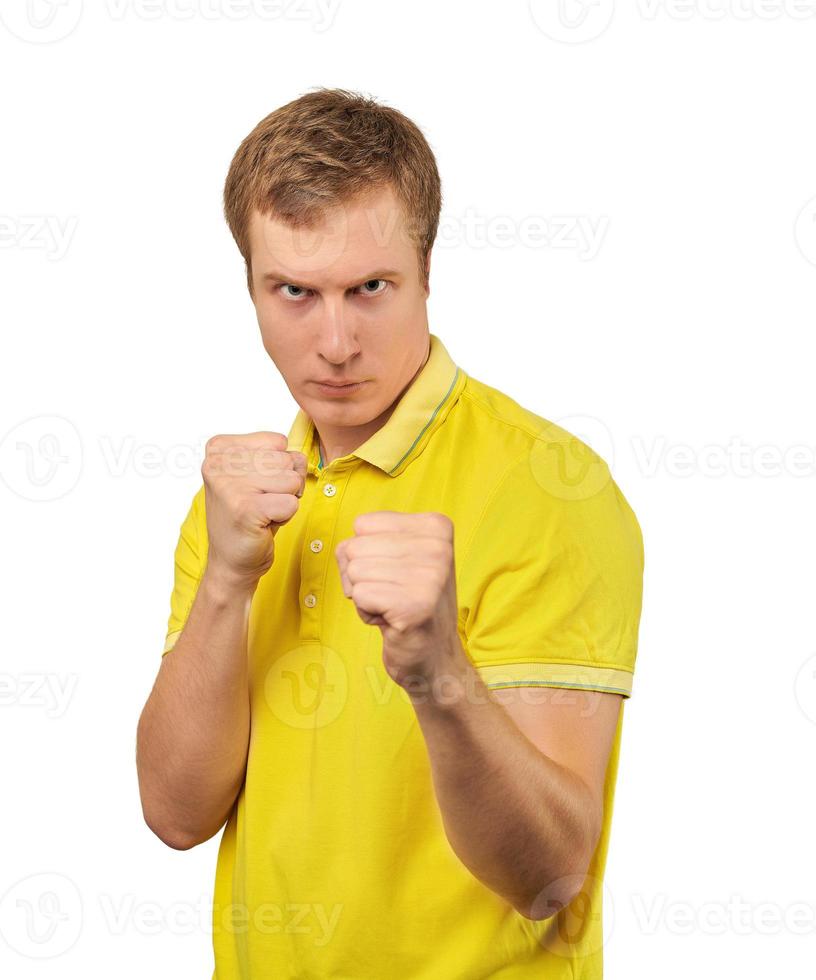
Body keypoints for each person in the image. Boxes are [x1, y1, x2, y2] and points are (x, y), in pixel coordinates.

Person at [136, 87, 644, 979]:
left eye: (369, 288)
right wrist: (224, 580)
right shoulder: (235, 504)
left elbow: (553, 875)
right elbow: (177, 815)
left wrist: (438, 672)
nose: (333, 342)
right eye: (293, 291)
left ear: (427, 267)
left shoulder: (550, 490)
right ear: (250, 285)